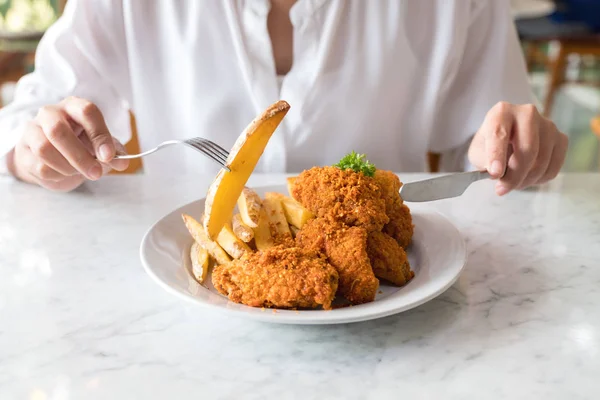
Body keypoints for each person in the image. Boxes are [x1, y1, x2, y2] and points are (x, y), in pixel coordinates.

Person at [0, 0, 568, 195]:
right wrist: (39, 151)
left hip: (396, 331)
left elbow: (494, 138)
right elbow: (26, 121)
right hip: (180, 322)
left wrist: (515, 149)